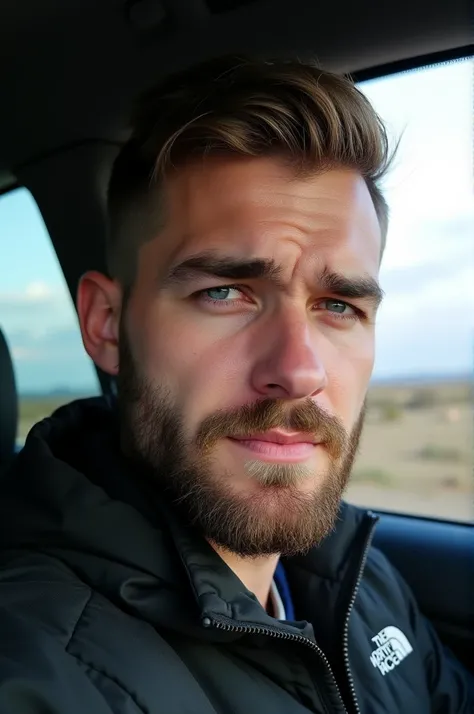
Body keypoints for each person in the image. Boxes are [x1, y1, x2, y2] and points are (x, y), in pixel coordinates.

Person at [0, 55, 472, 714]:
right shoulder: (32, 664)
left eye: (339, 305)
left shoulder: (355, 575)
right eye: (226, 292)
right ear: (107, 326)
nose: (299, 370)